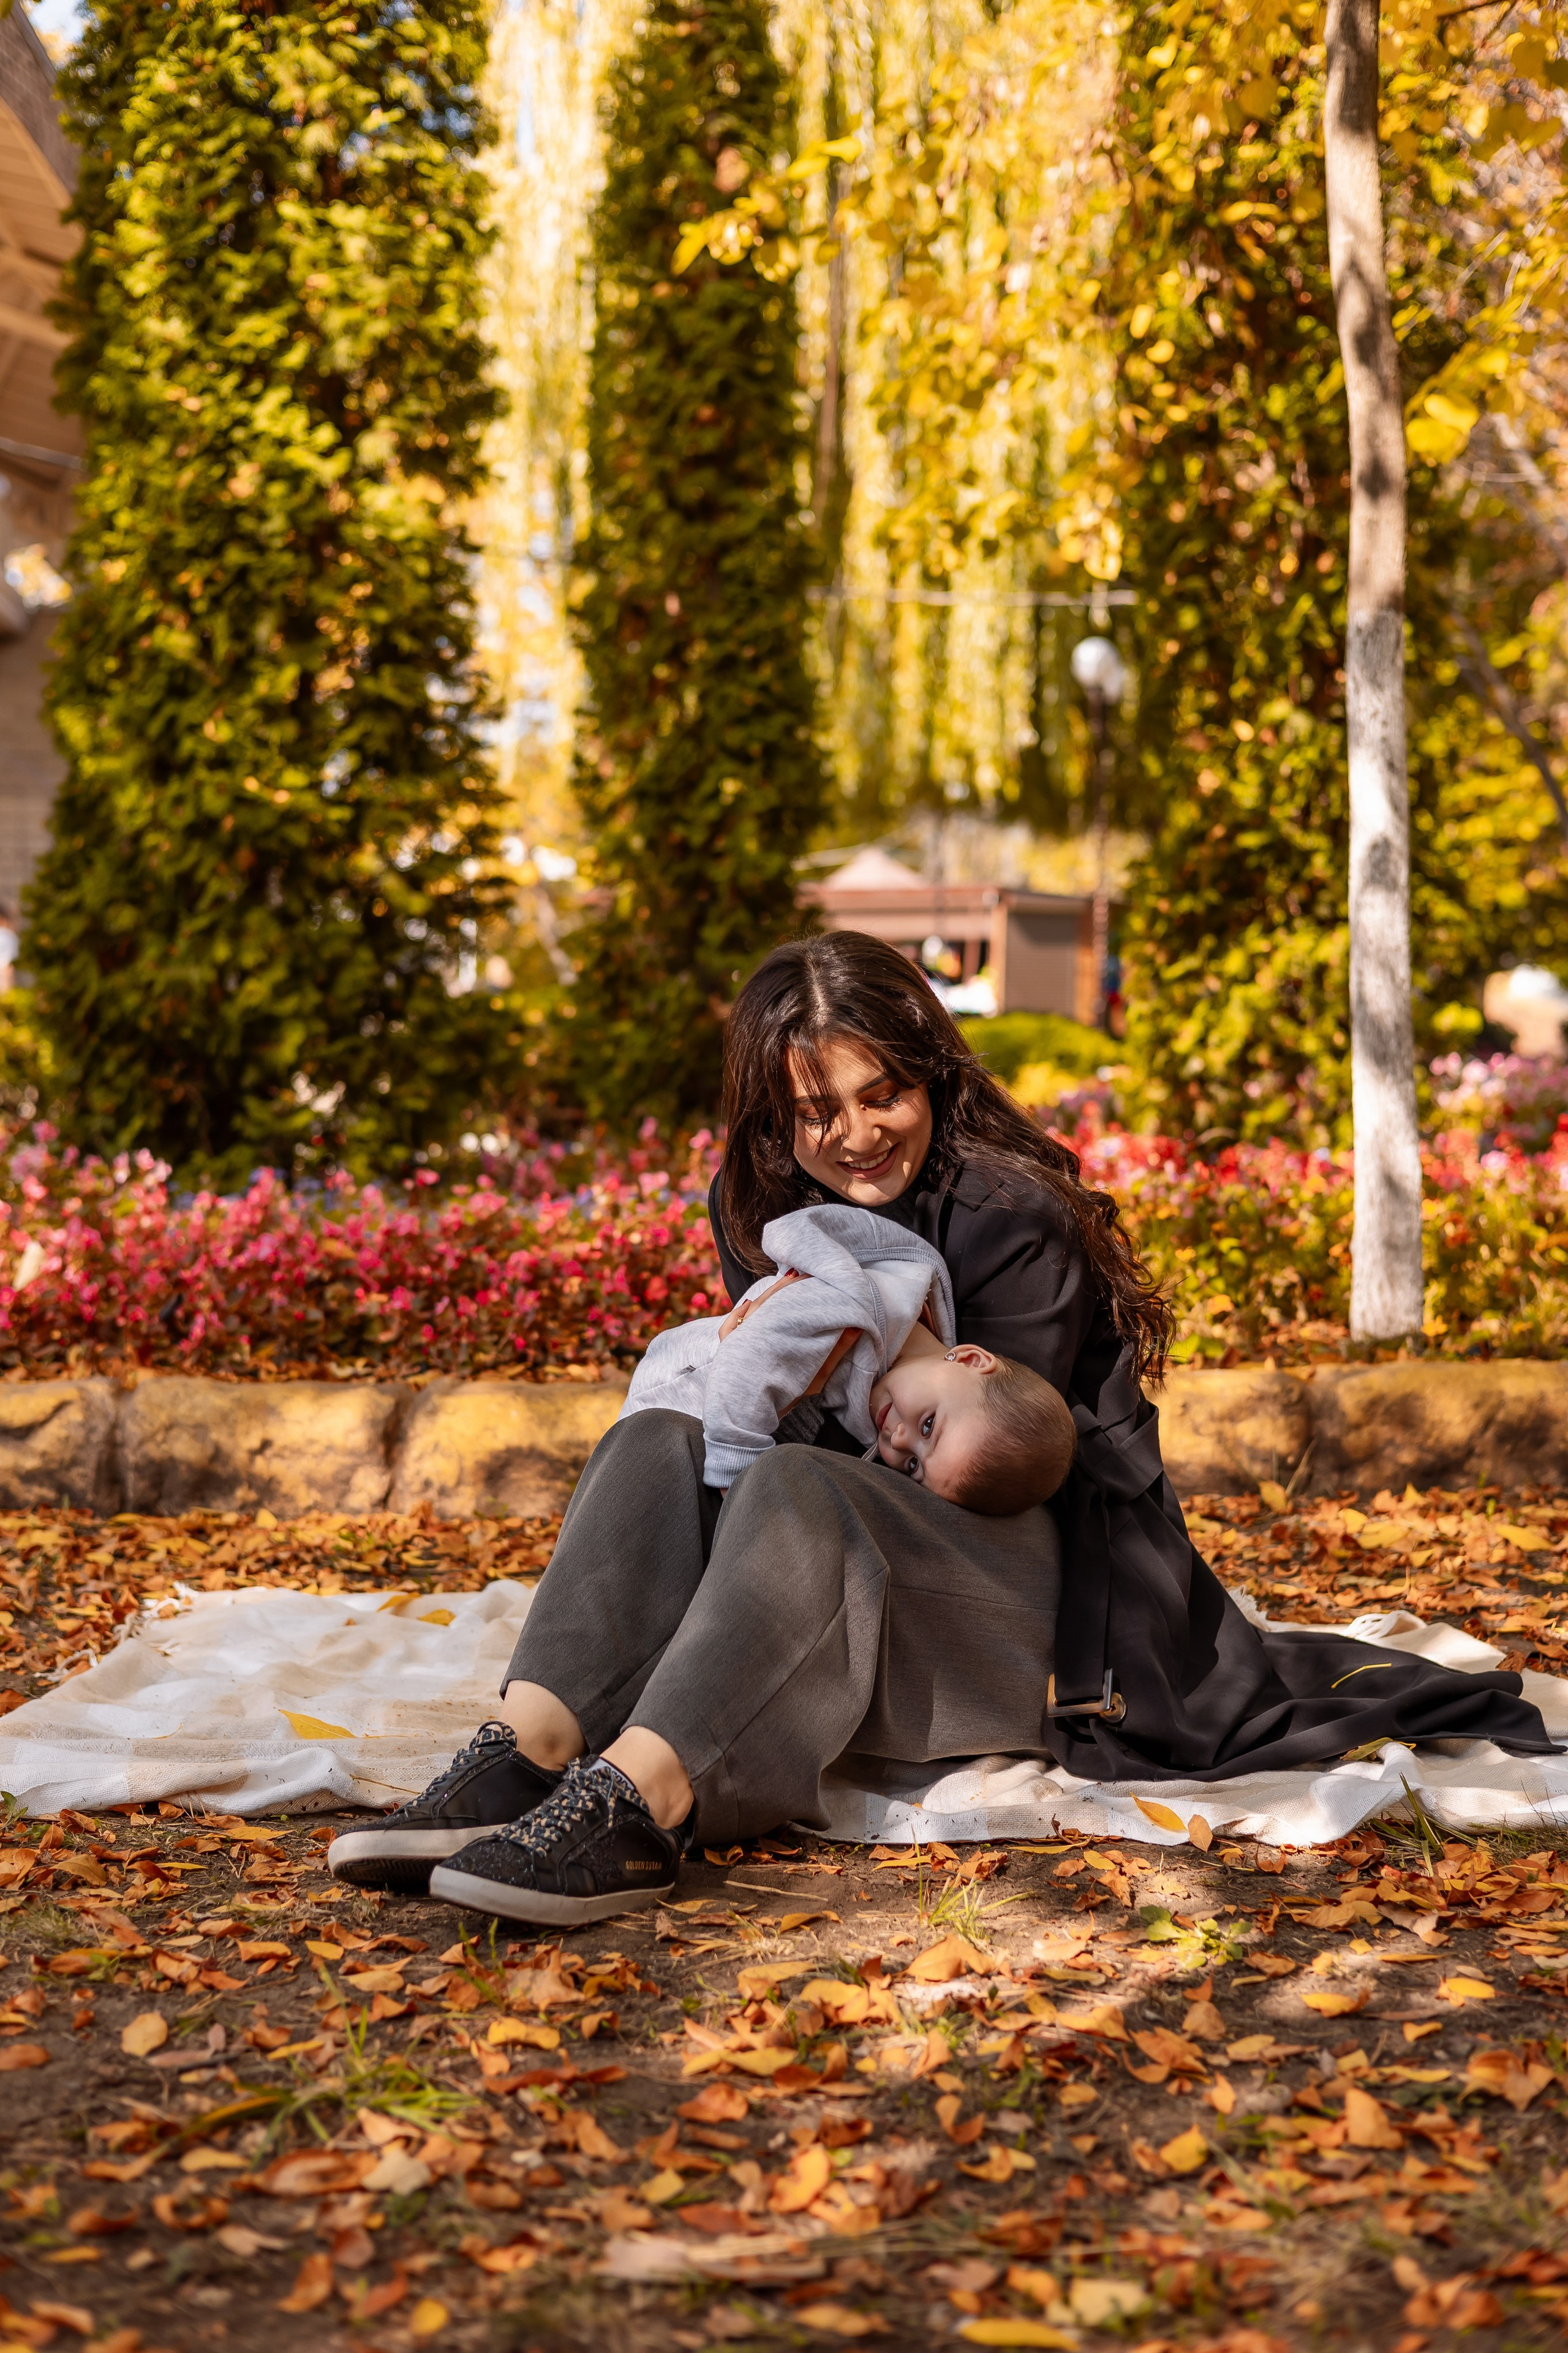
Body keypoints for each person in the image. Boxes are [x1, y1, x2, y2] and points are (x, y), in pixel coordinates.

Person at [328, 931, 1555, 1927]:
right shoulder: (765, 1203)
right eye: (816, 1108)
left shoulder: (1011, 1217)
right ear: (772, 1111)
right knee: (656, 1433)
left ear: (931, 1076)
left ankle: (642, 1806)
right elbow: (747, 1409)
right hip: (845, 1562)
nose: (855, 1133)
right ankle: (529, 1744)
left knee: (802, 1485)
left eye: (884, 1093)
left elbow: (1006, 1468)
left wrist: (860, 1377)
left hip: (1033, 1598)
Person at [621, 1196, 1077, 1509]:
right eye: (928, 1425)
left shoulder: (908, 1336)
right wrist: (741, 1478)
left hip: (712, 1421)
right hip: (679, 1400)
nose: (900, 1443)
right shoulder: (852, 1308)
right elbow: (750, 1357)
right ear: (972, 1359)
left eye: (915, 1466)